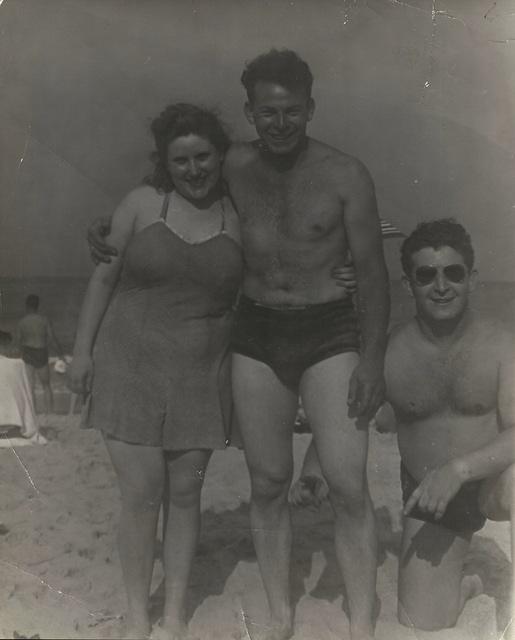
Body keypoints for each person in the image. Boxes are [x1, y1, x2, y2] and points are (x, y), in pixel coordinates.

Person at [88, 49, 390, 640]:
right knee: (269, 479)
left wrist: (375, 358)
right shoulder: (232, 166)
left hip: (329, 330)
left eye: (292, 111)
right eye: (267, 112)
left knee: (348, 481)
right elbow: (165, 184)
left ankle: (361, 621)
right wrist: (101, 227)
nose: (280, 123)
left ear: (310, 109)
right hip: (255, 332)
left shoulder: (346, 174)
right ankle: (279, 616)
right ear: (250, 113)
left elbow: (375, 271)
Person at [69, 103, 242, 640]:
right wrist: (81, 352)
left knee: (186, 497)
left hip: (201, 371)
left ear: (221, 155)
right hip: (129, 363)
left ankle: (172, 618)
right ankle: (137, 615)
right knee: (142, 494)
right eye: (181, 159)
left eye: (203, 157)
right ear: (165, 163)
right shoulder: (142, 204)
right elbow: (102, 280)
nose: (194, 169)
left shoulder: (241, 213)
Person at [292, 219, 515, 632]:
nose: (441, 285)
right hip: (429, 498)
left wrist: (458, 470)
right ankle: (468, 583)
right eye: (426, 275)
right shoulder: (390, 350)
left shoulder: (501, 343)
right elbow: (351, 415)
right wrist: (313, 469)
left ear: (473, 279)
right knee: (422, 621)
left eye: (454, 273)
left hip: (490, 483)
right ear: (408, 283)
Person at [15, 294, 64, 419]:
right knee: (46, 385)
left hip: (28, 353)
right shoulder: (44, 320)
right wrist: (60, 354)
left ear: (27, 306)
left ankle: (33, 413)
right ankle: (50, 412)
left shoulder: (22, 322)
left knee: (30, 386)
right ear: (37, 306)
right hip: (41, 352)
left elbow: (18, 342)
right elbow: (52, 339)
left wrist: (16, 356)